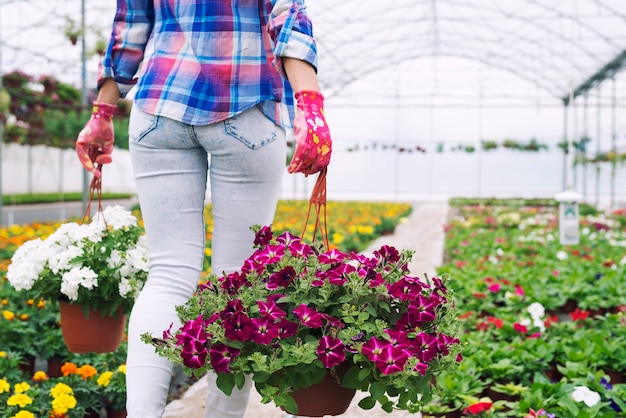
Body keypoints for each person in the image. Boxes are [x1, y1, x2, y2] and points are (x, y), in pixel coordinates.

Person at [74, 1, 332, 417]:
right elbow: (287, 15)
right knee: (236, 283)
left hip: (159, 110)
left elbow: (131, 26)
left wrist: (102, 113)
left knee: (167, 275)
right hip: (245, 104)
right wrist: (311, 106)